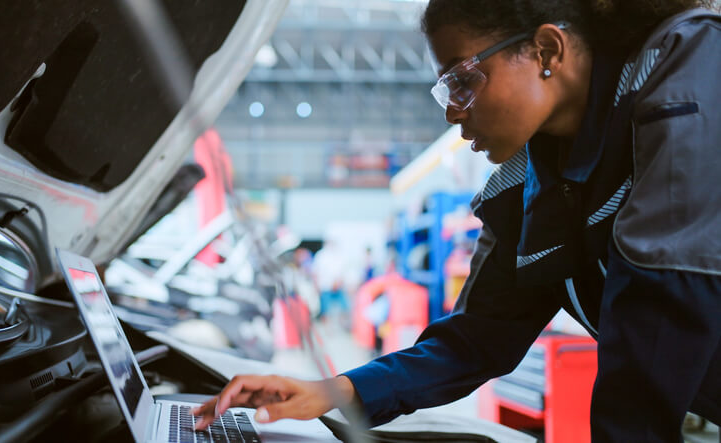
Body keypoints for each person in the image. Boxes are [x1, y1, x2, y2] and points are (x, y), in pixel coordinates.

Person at [192, 1, 721, 440]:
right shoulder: (525, 184)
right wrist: (332, 392)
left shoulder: (688, 63)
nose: (453, 112)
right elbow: (477, 337)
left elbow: (664, 290)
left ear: (546, 51)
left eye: (462, 80)